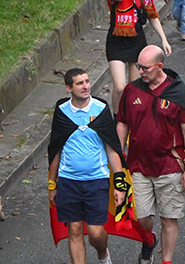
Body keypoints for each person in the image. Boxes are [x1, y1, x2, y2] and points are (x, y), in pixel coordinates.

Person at [116, 46, 185, 264]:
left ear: (159, 66)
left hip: (170, 166)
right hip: (138, 166)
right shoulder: (132, 90)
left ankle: (166, 261)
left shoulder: (177, 92)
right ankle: (149, 240)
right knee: (139, 217)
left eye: (144, 67)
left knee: (169, 218)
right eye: (138, 66)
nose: (139, 71)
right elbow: (122, 122)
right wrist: (118, 153)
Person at [48, 68, 126, 264]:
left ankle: (103, 254)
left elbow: (111, 147)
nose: (86, 86)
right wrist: (52, 184)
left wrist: (119, 183)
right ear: (69, 88)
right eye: (80, 83)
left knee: (96, 233)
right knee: (74, 230)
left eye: (87, 81)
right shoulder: (62, 112)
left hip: (96, 181)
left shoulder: (100, 109)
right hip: (68, 181)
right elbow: (55, 149)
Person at [105, 0, 171, 94]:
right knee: (120, 88)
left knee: (134, 87)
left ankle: (131, 115)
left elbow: (152, 16)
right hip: (117, 40)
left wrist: (164, 39)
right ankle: (117, 115)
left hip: (136, 39)